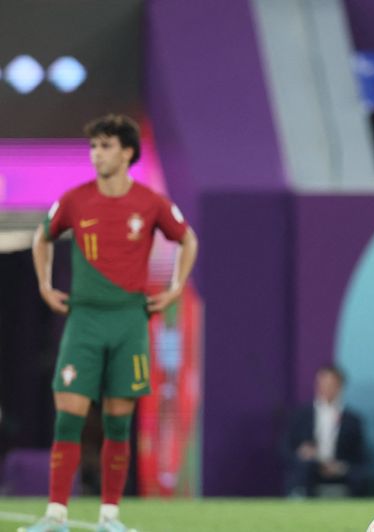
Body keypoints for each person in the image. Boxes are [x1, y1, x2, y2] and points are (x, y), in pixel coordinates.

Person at [24, 115, 198, 532]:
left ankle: (109, 517)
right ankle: (55, 516)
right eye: (94, 147)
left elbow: (187, 238)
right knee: (69, 413)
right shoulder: (75, 199)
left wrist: (175, 288)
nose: (96, 154)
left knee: (120, 420)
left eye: (105, 146)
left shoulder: (151, 203)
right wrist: (46, 287)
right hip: (84, 319)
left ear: (126, 153)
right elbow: (41, 237)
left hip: (129, 321)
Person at [282, 366, 367, 498]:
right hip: (310, 467)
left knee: (358, 476)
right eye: (321, 384)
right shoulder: (301, 415)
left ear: (340, 386)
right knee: (303, 469)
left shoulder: (352, 420)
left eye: (330, 384)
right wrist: (302, 453)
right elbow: (285, 448)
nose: (324, 388)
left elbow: (360, 456)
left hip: (338, 468)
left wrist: (340, 467)